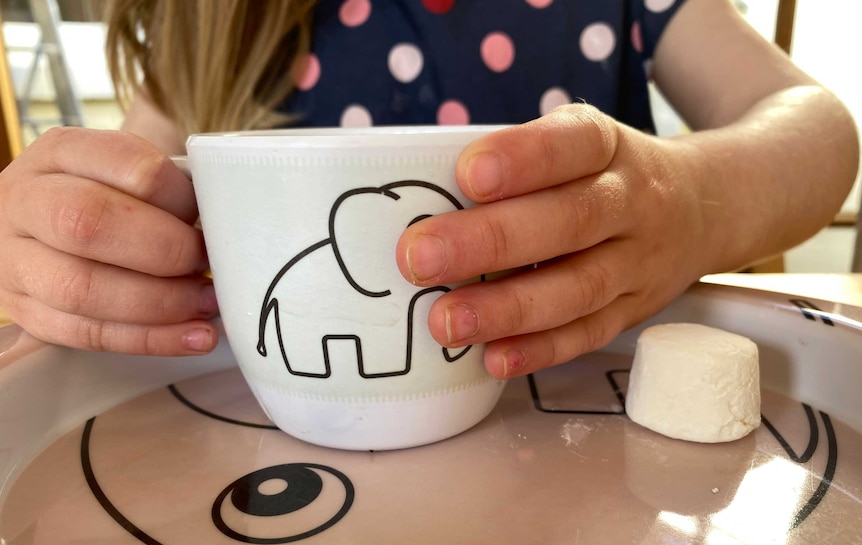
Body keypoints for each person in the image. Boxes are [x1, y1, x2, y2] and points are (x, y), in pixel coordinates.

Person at [0, 0, 857, 381]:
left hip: (582, 438)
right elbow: (125, 203)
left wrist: (690, 197)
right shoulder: (214, 19)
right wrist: (53, 236)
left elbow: (818, 127)